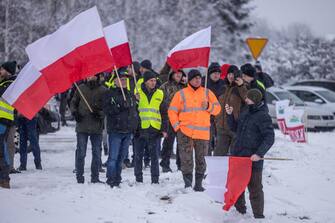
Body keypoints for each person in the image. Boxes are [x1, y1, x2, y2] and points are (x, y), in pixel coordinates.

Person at [168, 69, 221, 191]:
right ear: (189, 80)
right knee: (186, 159)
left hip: (202, 133)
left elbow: (218, 109)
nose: (198, 80)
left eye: (199, 78)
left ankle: (198, 184)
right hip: (185, 132)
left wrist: (208, 106)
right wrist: (177, 127)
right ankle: (187, 184)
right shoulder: (181, 94)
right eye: (195, 78)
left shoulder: (207, 93)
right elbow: (172, 111)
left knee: (201, 159)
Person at [226, 88, 275, 219]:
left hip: (253, 159)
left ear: (254, 99)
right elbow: (235, 128)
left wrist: (259, 154)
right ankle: (239, 210)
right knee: (237, 185)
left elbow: (269, 137)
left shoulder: (263, 116)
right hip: (239, 156)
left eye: (248, 98)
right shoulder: (245, 110)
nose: (245, 99)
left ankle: (258, 216)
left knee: (255, 188)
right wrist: (230, 115)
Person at [104, 70, 138, 188]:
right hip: (115, 131)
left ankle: (117, 178)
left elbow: (133, 112)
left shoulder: (129, 94)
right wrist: (119, 106)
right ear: (115, 81)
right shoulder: (109, 94)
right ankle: (110, 179)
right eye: (121, 79)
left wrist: (134, 126)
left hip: (127, 131)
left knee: (121, 158)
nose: (124, 81)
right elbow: (107, 111)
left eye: (125, 79)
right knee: (113, 157)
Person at [70, 75, 106, 184]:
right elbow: (73, 103)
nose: (91, 77)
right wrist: (75, 113)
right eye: (89, 75)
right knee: (81, 152)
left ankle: (95, 177)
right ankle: (79, 176)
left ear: (98, 76)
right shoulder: (80, 88)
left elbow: (107, 107)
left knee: (96, 153)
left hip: (97, 127)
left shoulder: (103, 90)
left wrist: (99, 113)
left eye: (94, 75)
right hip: (82, 126)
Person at [134, 71, 167, 184]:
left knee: (154, 157)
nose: (153, 82)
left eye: (154, 80)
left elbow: (164, 113)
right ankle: (138, 179)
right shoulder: (137, 93)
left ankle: (155, 179)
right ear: (145, 81)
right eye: (151, 80)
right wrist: (135, 101)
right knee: (138, 156)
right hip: (140, 128)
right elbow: (133, 111)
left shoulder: (160, 93)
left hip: (155, 129)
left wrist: (164, 129)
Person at [214, 65, 248, 156]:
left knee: (234, 156)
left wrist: (241, 85)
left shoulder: (243, 87)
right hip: (221, 128)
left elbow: (247, 99)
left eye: (233, 74)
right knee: (218, 156)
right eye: (229, 74)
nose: (231, 76)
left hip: (235, 128)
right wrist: (216, 120)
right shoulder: (223, 88)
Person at [159, 67, 185, 172]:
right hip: (169, 118)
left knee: (182, 143)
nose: (178, 75)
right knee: (168, 142)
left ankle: (181, 164)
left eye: (180, 73)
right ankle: (165, 164)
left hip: (183, 118)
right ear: (172, 74)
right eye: (176, 73)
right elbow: (160, 102)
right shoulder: (164, 87)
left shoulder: (185, 87)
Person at [0, 61, 19, 174]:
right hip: (5, 118)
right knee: (6, 144)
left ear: (7, 71)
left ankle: (8, 168)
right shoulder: (4, 82)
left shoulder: (10, 84)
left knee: (9, 144)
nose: (0, 71)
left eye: (2, 69)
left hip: (8, 119)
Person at [203, 62, 225, 156]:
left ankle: (217, 161)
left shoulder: (223, 84)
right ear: (209, 73)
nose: (216, 75)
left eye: (218, 73)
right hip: (207, 117)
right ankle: (206, 159)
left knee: (219, 142)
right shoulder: (204, 83)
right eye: (214, 73)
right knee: (207, 140)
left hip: (220, 117)